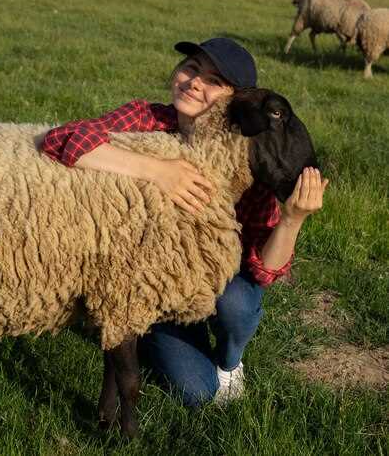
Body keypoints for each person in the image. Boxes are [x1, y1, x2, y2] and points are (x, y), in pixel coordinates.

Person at [42, 36, 328, 406]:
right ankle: (149, 332)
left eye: (213, 80)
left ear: (236, 100)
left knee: (238, 301)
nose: (195, 82)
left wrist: (292, 220)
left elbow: (264, 272)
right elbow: (61, 138)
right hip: (147, 283)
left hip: (214, 281)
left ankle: (230, 362)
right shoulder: (148, 120)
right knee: (197, 392)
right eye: (191, 69)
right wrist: (158, 170)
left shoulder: (248, 156)